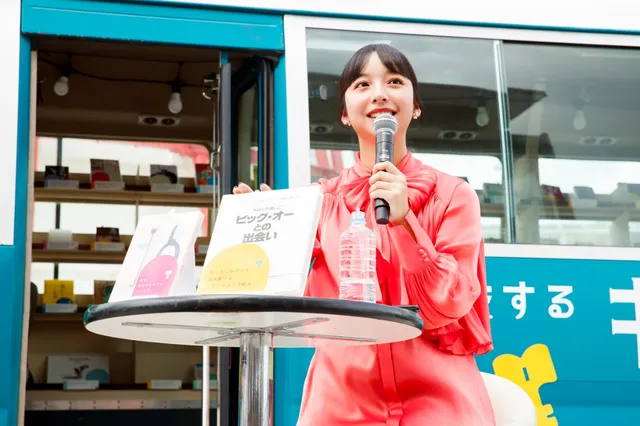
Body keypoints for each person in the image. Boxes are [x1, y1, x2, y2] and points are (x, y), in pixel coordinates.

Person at [233, 43, 495, 426]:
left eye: (394, 81)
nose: (379, 94)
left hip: (437, 401)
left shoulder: (453, 195)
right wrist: (265, 230)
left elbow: (450, 302)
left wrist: (407, 223)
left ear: (416, 106)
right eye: (362, 84)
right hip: (340, 402)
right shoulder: (317, 202)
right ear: (344, 113)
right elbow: (280, 296)